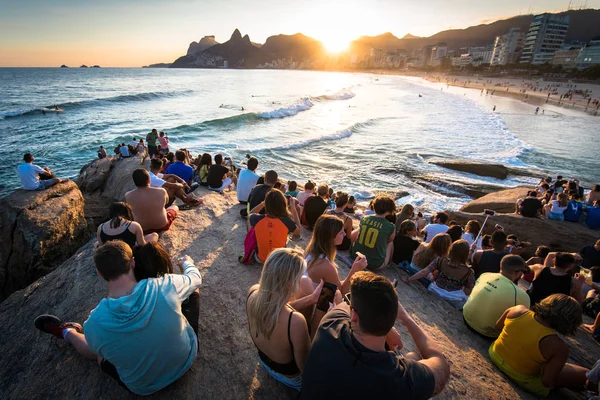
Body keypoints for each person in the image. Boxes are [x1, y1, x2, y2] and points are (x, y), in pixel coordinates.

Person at [33, 241, 202, 395]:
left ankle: (67, 332)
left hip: (143, 387)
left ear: (99, 273)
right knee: (191, 291)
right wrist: (187, 262)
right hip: (186, 359)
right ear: (133, 263)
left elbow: (94, 350)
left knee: (100, 357)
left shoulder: (95, 322)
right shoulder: (165, 285)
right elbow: (196, 278)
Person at [300, 271, 450, 399]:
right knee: (414, 358)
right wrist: (406, 318)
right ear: (391, 320)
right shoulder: (399, 378)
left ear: (354, 316)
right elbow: (441, 364)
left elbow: (344, 306)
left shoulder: (331, 323)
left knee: (412, 359)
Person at [489, 294, 588, 396]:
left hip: (495, 354)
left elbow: (498, 326)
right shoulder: (559, 347)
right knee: (585, 374)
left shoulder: (518, 310)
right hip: (522, 378)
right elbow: (547, 381)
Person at [246, 248, 313, 391]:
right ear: (290, 284)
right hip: (291, 378)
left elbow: (275, 310)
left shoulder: (253, 292)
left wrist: (311, 299)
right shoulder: (295, 321)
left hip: (264, 362)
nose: (302, 280)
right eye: (300, 277)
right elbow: (306, 367)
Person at [463, 255, 531, 338]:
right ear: (517, 273)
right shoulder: (522, 295)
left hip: (466, 317)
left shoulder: (485, 275)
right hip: (487, 333)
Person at [305, 215, 368, 296]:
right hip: (316, 305)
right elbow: (340, 292)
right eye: (341, 232)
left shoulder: (309, 252)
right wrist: (355, 269)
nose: (345, 234)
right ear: (331, 237)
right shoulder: (325, 265)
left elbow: (335, 284)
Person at [403, 240, 474, 309]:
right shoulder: (469, 272)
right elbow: (467, 291)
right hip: (453, 299)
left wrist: (409, 279)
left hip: (435, 290)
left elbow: (424, 272)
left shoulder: (440, 260)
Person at [249, 189, 300, 263]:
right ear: (283, 204)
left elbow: (250, 213)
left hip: (260, 259)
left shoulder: (257, 218)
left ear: (267, 205)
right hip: (278, 260)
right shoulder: (287, 221)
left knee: (250, 221)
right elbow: (298, 232)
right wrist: (293, 207)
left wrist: (263, 203)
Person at [125, 169, 179, 234]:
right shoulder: (161, 191)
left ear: (135, 182)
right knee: (175, 207)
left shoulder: (128, 195)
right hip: (161, 225)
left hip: (142, 228)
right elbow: (166, 202)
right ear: (149, 180)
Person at [351, 196, 396, 270]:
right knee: (391, 242)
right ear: (388, 212)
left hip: (355, 256)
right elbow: (390, 239)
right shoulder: (391, 226)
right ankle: (387, 264)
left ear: (374, 207)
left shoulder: (365, 218)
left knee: (361, 229)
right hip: (374, 264)